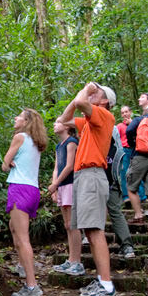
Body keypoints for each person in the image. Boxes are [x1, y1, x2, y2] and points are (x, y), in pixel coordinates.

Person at [61, 82, 117, 296]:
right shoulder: (90, 123)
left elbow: (82, 102)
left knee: (94, 230)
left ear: (105, 102)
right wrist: (79, 98)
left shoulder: (104, 115)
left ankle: (107, 285)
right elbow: (63, 120)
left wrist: (86, 88)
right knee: (89, 231)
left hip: (92, 174)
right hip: (84, 176)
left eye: (98, 93)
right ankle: (103, 281)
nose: (93, 94)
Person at [2, 108, 48, 296]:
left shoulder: (19, 137)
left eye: (19, 116)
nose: (15, 117)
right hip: (33, 191)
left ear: (26, 121)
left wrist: (8, 163)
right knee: (14, 228)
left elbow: (5, 163)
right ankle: (22, 266)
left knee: (22, 239)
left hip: (19, 188)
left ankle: (32, 285)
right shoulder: (36, 142)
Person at [47, 117, 83, 275]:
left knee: (73, 224)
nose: (54, 125)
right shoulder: (58, 145)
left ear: (67, 126)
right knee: (67, 224)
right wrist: (54, 186)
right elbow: (56, 167)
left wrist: (56, 183)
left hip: (71, 184)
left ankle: (77, 261)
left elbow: (69, 166)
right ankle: (71, 259)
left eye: (58, 122)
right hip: (61, 186)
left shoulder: (71, 142)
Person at [107, 126, 135, 259]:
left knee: (115, 212)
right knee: (113, 212)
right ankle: (125, 245)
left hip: (111, 181)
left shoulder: (115, 148)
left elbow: (119, 162)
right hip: (99, 180)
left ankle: (126, 244)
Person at [117, 106, 146, 204]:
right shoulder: (119, 126)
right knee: (124, 172)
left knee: (138, 172)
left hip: (135, 149)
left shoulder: (137, 123)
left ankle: (142, 195)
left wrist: (132, 124)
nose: (125, 114)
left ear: (130, 112)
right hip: (124, 151)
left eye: (126, 112)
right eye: (123, 113)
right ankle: (126, 196)